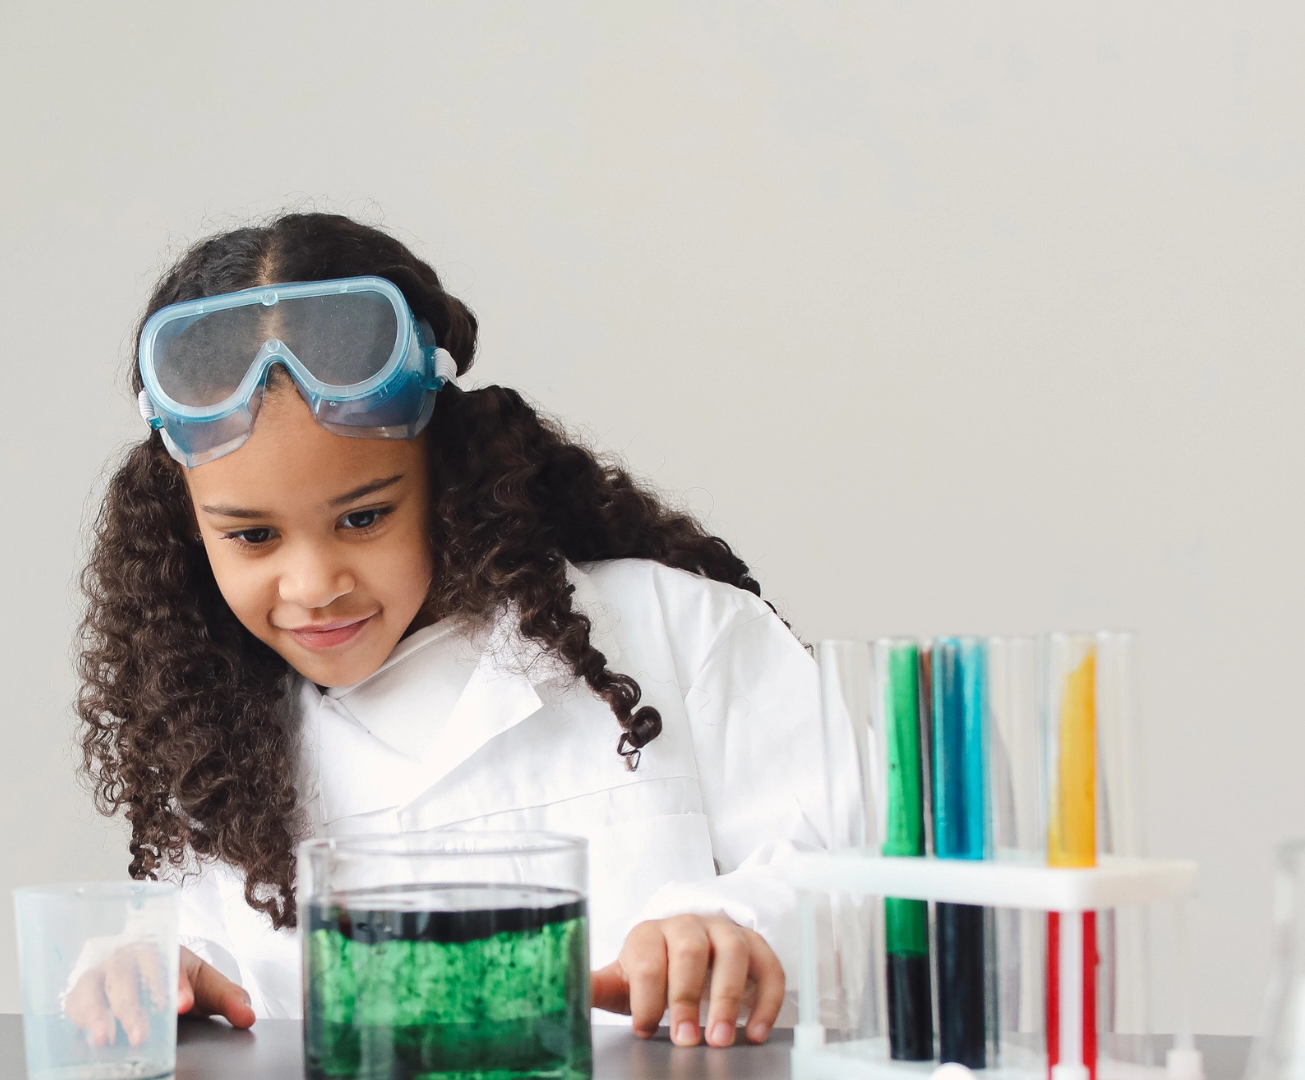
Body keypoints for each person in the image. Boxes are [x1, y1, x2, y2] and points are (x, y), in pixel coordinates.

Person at [71, 212, 834, 1049]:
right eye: (252, 536)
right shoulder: (216, 752)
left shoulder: (677, 632)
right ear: (188, 529)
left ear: (444, 471)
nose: (315, 586)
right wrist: (154, 969)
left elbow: (873, 872)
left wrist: (731, 923)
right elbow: (220, 974)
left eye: (363, 517)